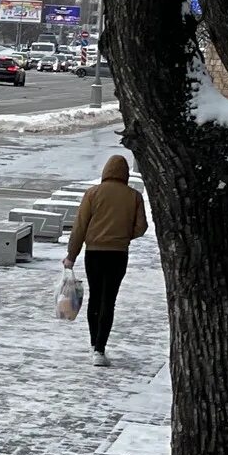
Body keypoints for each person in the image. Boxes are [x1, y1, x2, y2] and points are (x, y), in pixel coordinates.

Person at [65, 154, 148, 366]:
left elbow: (80, 227)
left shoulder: (92, 194)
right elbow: (141, 227)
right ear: (125, 174)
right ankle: (101, 349)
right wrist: (123, 235)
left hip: (94, 253)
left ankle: (94, 345)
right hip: (118, 254)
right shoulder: (134, 196)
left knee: (95, 297)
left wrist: (71, 256)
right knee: (109, 300)